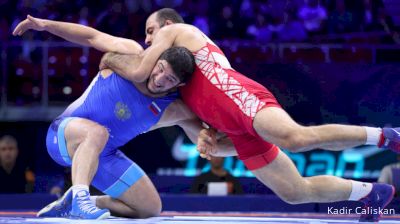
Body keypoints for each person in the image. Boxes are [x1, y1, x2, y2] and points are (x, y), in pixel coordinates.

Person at [100, 8, 399, 222]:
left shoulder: (180, 32)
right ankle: (370, 193)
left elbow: (139, 69)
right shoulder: (176, 80)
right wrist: (206, 138)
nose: (149, 40)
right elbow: (203, 132)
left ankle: (385, 135)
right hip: (234, 127)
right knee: (294, 191)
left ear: (166, 24)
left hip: (241, 98)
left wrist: (110, 58)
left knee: (295, 138)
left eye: (150, 31)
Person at [13, 15, 235, 219]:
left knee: (149, 208)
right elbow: (91, 36)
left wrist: (255, 142)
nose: (159, 80)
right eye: (160, 70)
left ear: (179, 84)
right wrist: (45, 25)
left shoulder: (175, 109)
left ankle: (79, 201)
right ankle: (80, 198)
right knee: (97, 132)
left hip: (102, 156)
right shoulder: (131, 52)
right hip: (62, 136)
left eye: (169, 79)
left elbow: (212, 142)